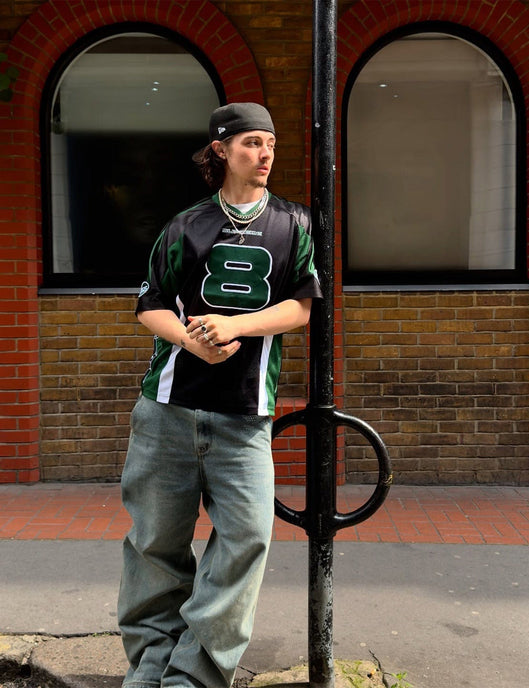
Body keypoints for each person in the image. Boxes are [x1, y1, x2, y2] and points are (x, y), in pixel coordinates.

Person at [118, 102, 322, 688]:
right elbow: (150, 304)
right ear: (221, 150)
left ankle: (193, 676)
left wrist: (235, 326)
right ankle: (149, 670)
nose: (265, 154)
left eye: (270, 144)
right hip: (167, 409)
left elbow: (301, 307)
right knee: (155, 545)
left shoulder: (294, 224)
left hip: (245, 414)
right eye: (252, 143)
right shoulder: (185, 225)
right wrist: (191, 339)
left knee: (247, 538)